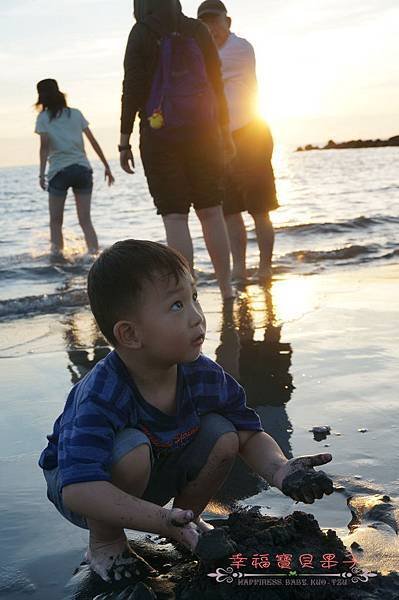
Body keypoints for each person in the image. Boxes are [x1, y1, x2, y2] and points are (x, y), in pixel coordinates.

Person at [39, 239, 334, 582]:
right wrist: (156, 518)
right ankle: (106, 543)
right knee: (131, 448)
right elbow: (79, 488)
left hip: (156, 464)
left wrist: (282, 470)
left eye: (194, 297)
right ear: (130, 334)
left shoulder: (203, 376)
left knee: (224, 433)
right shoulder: (102, 394)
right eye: (177, 306)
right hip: (84, 487)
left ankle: (186, 522)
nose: (197, 317)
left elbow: (248, 433)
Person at [119, 0, 235, 300]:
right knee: (212, 212)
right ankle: (227, 289)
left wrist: (124, 138)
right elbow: (216, 81)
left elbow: (132, 87)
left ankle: (188, 296)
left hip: (160, 135)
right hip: (205, 132)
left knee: (175, 218)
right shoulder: (196, 29)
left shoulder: (141, 32)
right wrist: (224, 129)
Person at [197, 1, 279, 283]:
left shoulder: (239, 49)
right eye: (203, 23)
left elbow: (207, 75)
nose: (210, 29)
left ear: (227, 22)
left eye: (214, 22)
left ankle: (266, 267)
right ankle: (240, 269)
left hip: (250, 135)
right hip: (220, 143)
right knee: (230, 211)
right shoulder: (202, 54)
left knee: (260, 208)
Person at [35, 79, 115, 257]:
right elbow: (93, 141)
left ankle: (57, 259)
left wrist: (41, 174)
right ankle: (95, 257)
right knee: (85, 220)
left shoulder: (43, 118)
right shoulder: (76, 114)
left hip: (59, 172)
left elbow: (44, 147)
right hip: (82, 170)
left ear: (42, 97)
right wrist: (107, 166)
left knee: (56, 222)